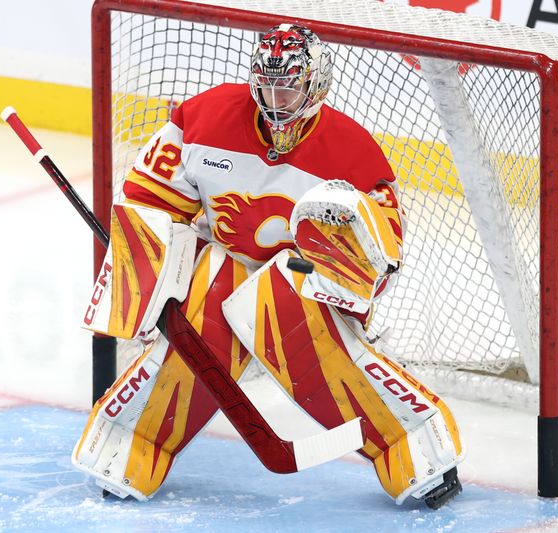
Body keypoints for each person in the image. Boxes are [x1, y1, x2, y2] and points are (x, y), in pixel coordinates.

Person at [73, 23, 463, 509]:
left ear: (315, 84)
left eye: (289, 84)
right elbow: (150, 202)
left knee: (303, 337)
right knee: (198, 332)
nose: (276, 96)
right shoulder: (203, 119)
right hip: (224, 259)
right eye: (268, 83)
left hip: (302, 278)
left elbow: (378, 257)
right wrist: (151, 280)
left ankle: (414, 447)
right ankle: (132, 446)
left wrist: (346, 283)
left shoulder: (354, 154)